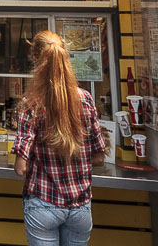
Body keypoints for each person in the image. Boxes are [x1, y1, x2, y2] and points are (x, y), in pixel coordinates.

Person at [12, 30, 105, 246]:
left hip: (43, 203)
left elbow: (20, 168)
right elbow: (99, 157)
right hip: (80, 206)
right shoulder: (86, 99)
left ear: (35, 58)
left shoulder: (31, 103)